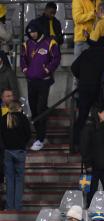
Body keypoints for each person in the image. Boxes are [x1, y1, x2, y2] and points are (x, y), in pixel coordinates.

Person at [20, 21, 60, 152]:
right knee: (34, 109)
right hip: (31, 81)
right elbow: (22, 59)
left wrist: (48, 70)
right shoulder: (26, 44)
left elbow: (56, 58)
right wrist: (25, 69)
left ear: (39, 30)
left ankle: (41, 138)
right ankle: (39, 136)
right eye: (30, 32)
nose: (32, 34)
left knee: (41, 108)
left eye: (34, 31)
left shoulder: (50, 43)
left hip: (44, 81)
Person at [70, 37, 104, 147]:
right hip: (98, 90)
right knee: (100, 116)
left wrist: (83, 78)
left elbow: (74, 67)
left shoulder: (85, 53)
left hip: (84, 88)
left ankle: (76, 143)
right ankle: (100, 143)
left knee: (82, 116)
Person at [81, 108, 104, 206]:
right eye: (103, 113)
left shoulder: (103, 127)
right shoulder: (87, 128)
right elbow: (84, 147)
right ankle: (88, 207)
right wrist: (87, 164)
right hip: (91, 167)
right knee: (90, 191)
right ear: (98, 113)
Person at [0, 102, 31, 210]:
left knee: (9, 180)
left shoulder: (3, 118)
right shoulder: (23, 118)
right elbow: (28, 134)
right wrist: (22, 143)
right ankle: (17, 207)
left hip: (8, 152)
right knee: (19, 180)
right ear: (19, 108)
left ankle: (9, 207)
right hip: (20, 151)